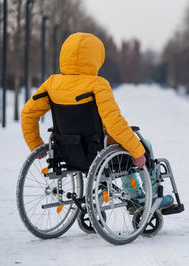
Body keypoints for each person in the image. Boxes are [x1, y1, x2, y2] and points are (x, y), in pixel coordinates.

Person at [20, 32, 172, 210]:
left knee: (123, 146)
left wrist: (35, 145)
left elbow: (28, 114)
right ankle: (142, 196)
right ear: (96, 58)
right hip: (98, 150)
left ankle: (129, 194)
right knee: (139, 146)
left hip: (67, 151)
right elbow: (114, 122)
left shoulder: (51, 83)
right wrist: (137, 151)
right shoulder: (97, 84)